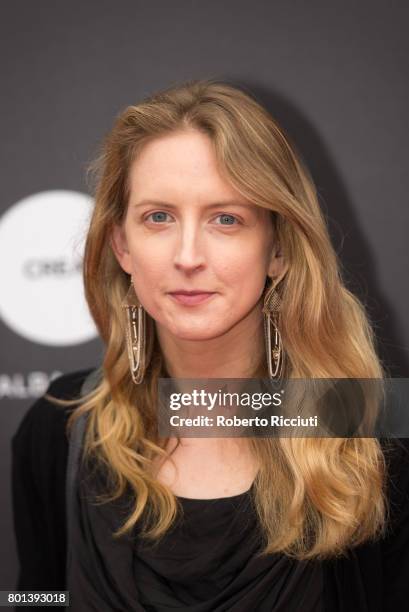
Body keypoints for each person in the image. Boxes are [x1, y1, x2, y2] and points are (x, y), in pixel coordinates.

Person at [11, 78, 409, 611]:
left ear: (279, 251)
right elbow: (38, 597)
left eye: (227, 219)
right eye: (159, 217)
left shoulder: (371, 435)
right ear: (122, 246)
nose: (188, 255)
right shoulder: (58, 427)